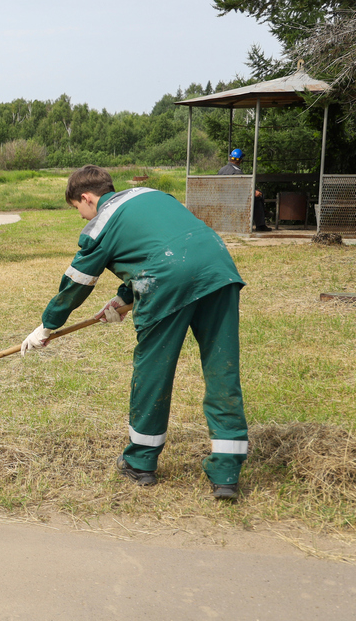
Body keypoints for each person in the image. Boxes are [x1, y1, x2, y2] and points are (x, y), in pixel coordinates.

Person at [20, 165, 250, 499]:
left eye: (78, 210)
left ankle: (141, 462)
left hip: (169, 280)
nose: (81, 217)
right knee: (222, 370)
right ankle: (227, 472)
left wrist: (47, 325)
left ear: (86, 198)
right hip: (219, 269)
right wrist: (123, 300)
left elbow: (77, 283)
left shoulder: (101, 223)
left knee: (153, 371)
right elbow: (161, 246)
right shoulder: (152, 195)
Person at [218, 148, 270, 231]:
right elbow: (242, 189)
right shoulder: (237, 172)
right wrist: (254, 192)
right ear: (240, 160)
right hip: (235, 199)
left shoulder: (222, 170)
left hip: (223, 198)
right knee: (257, 199)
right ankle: (260, 225)